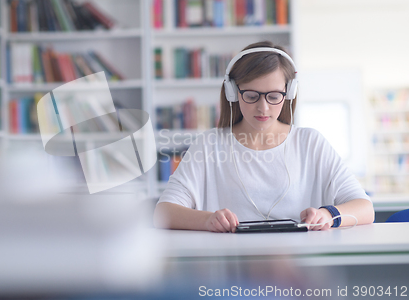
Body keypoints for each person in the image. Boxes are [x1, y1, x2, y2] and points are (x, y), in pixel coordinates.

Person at [153, 41, 374, 232]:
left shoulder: (310, 143)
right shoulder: (209, 145)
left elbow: (365, 208)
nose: (263, 108)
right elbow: (163, 212)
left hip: (298, 268)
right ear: (233, 92)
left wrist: (329, 214)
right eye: (251, 96)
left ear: (289, 93)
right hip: (231, 267)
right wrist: (208, 220)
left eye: (274, 96)